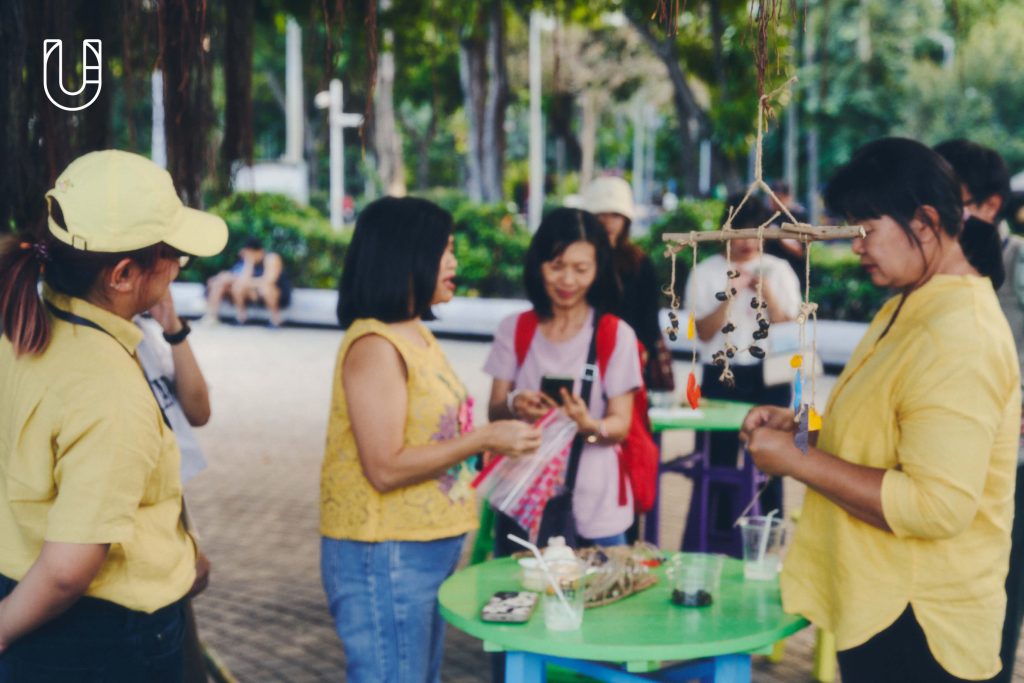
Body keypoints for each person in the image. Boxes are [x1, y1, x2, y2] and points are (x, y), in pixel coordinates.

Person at [742, 138, 1018, 682]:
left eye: (865, 229)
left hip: (922, 626)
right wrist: (804, 434)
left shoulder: (960, 333)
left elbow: (936, 506)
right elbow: (886, 428)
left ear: (925, 220)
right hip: (882, 605)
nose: (856, 248)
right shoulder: (910, 302)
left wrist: (796, 462)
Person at [0, 150, 226, 681]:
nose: (176, 269)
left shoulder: (21, 328)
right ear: (124, 274)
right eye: (174, 255)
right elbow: (67, 570)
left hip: (26, 598)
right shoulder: (109, 387)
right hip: (103, 637)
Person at [319, 196, 541, 683]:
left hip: (423, 549)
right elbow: (385, 467)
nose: (454, 262)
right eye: (444, 250)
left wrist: (506, 417)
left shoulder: (413, 330)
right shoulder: (375, 345)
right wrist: (486, 436)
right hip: (386, 553)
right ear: (406, 255)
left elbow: (435, 429)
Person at [485, 207, 643, 555]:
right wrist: (515, 405)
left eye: (581, 269)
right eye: (556, 266)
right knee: (518, 601)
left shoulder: (615, 335)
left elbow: (620, 425)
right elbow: (495, 412)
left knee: (600, 603)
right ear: (537, 264)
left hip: (597, 506)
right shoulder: (515, 330)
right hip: (523, 498)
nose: (567, 281)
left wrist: (587, 424)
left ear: (599, 269)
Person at [935, 138, 1022, 683]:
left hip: (1011, 461)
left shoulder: (1016, 259)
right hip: (949, 457)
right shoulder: (935, 264)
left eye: (953, 199)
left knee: (1001, 591)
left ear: (990, 205)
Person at [683, 194, 801, 538]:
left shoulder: (778, 271)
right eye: (741, 232)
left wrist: (770, 298)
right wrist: (729, 296)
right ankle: (714, 534)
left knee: (772, 458)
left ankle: (770, 536)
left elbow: (788, 329)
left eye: (758, 234)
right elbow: (702, 334)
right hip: (722, 373)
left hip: (768, 375)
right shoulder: (704, 272)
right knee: (716, 458)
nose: (749, 242)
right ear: (725, 231)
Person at [136, 290, 213, 683]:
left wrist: (173, 327)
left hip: (169, 523)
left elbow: (199, 410)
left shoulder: (143, 334)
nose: (175, 272)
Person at [580, 175, 675, 391]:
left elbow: (649, 318)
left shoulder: (638, 261)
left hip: (629, 356)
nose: (608, 221)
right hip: (581, 353)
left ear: (626, 219)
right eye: (600, 214)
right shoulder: (576, 259)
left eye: (616, 214)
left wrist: (645, 353)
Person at [204, 237, 291, 327]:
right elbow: (243, 280)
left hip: (276, 293)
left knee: (265, 288)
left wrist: (248, 282)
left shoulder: (271, 258)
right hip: (255, 292)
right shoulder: (248, 262)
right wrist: (249, 263)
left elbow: (269, 281)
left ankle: (276, 319)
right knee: (237, 286)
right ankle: (241, 318)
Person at [767, 180, 810, 288]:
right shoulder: (767, 215)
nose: (774, 202)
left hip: (794, 271)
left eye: (778, 199)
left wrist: (779, 236)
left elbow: (800, 251)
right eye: (772, 199)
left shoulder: (799, 216)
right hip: (771, 272)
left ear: (788, 197)